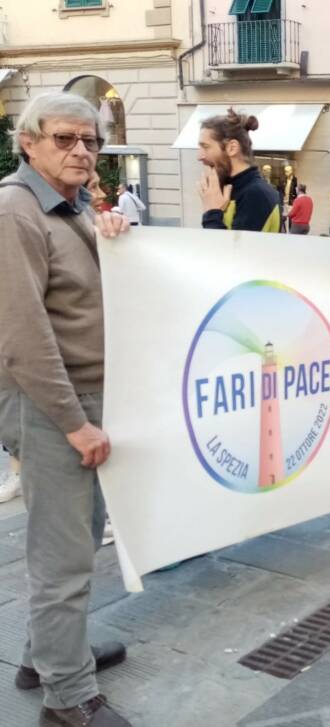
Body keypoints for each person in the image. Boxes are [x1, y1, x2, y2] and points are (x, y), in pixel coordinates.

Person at [0, 91, 133, 727]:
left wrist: (113, 239)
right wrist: (75, 424)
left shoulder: (71, 207)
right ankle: (67, 698)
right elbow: (22, 338)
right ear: (28, 143)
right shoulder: (14, 212)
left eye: (91, 141)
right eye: (64, 139)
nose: (82, 151)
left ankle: (46, 657)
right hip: (52, 405)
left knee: (79, 537)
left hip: (86, 399)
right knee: (63, 556)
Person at [198, 109, 281, 232]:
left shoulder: (256, 195)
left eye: (206, 147)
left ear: (232, 148)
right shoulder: (233, 191)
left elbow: (232, 251)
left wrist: (211, 214)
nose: (199, 156)